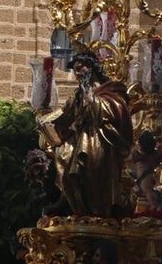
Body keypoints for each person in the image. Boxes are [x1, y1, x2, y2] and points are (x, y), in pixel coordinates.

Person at [38, 51, 133, 217]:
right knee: (64, 160)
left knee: (93, 170)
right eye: (75, 70)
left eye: (80, 68)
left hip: (101, 140)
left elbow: (117, 110)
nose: (77, 73)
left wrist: (93, 100)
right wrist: (46, 118)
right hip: (81, 138)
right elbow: (65, 112)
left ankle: (98, 210)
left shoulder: (111, 90)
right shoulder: (78, 95)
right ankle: (73, 203)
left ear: (92, 67)